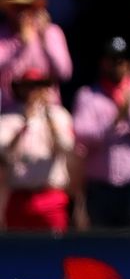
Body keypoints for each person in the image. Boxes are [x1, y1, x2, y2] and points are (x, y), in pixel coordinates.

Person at [71, 36, 130, 228]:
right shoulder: (88, 95)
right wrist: (113, 123)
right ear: (103, 63)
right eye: (111, 60)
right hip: (99, 187)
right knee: (100, 241)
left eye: (120, 61)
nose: (116, 66)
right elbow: (81, 133)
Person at [0, 69, 74, 232]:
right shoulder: (8, 117)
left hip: (50, 196)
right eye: (28, 86)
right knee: (18, 246)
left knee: (54, 245)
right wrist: (25, 123)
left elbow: (66, 146)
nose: (33, 91)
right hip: (19, 197)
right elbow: (4, 152)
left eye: (38, 86)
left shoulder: (59, 115)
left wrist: (47, 116)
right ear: (19, 89)